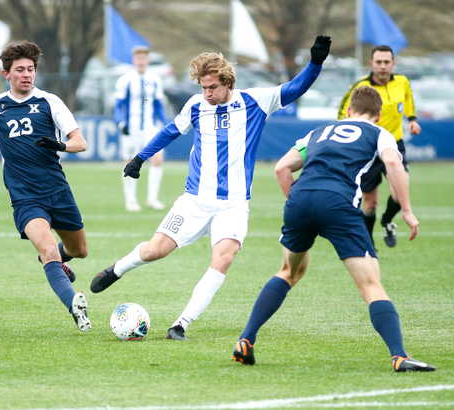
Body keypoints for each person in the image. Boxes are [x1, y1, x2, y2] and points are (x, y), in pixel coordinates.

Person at [90, 35, 332, 340]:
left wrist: (315, 64)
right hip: (194, 201)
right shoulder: (195, 106)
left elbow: (295, 88)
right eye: (203, 87)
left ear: (228, 82)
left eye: (212, 87)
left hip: (233, 205)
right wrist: (140, 158)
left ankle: (181, 324)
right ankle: (118, 269)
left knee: (223, 259)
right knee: (154, 251)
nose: (207, 93)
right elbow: (169, 131)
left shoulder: (255, 101)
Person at [232, 86, 435, 373]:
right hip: (338, 204)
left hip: (300, 199)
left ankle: (246, 339)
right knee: (371, 285)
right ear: (378, 116)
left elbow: (281, 168)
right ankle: (399, 356)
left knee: (289, 272)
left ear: (349, 111)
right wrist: (406, 210)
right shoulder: (379, 133)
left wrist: (299, 205)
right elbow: (392, 162)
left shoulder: (317, 132)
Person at [0, 40, 91, 332]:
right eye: (20, 70)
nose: (26, 74)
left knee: (79, 250)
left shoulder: (50, 102)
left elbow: (81, 142)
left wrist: (60, 144)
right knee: (48, 251)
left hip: (57, 190)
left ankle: (57, 262)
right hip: (24, 196)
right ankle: (75, 306)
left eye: (30, 69)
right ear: (7, 74)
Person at [337, 45, 421, 248]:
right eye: (379, 62)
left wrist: (412, 118)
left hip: (394, 145)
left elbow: (408, 98)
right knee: (370, 204)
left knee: (400, 193)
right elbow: (342, 114)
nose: (383, 66)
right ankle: (369, 242)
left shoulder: (402, 82)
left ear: (392, 64)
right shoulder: (360, 87)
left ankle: (387, 220)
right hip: (368, 148)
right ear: (371, 64)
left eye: (386, 62)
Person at [115, 46, 169, 211]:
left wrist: (165, 123)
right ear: (134, 60)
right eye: (138, 59)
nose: (141, 62)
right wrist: (120, 123)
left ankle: (152, 199)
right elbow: (118, 105)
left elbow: (159, 104)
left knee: (157, 159)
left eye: (143, 59)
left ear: (147, 60)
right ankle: (131, 200)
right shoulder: (125, 80)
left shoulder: (154, 79)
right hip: (131, 128)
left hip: (149, 127)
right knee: (130, 162)